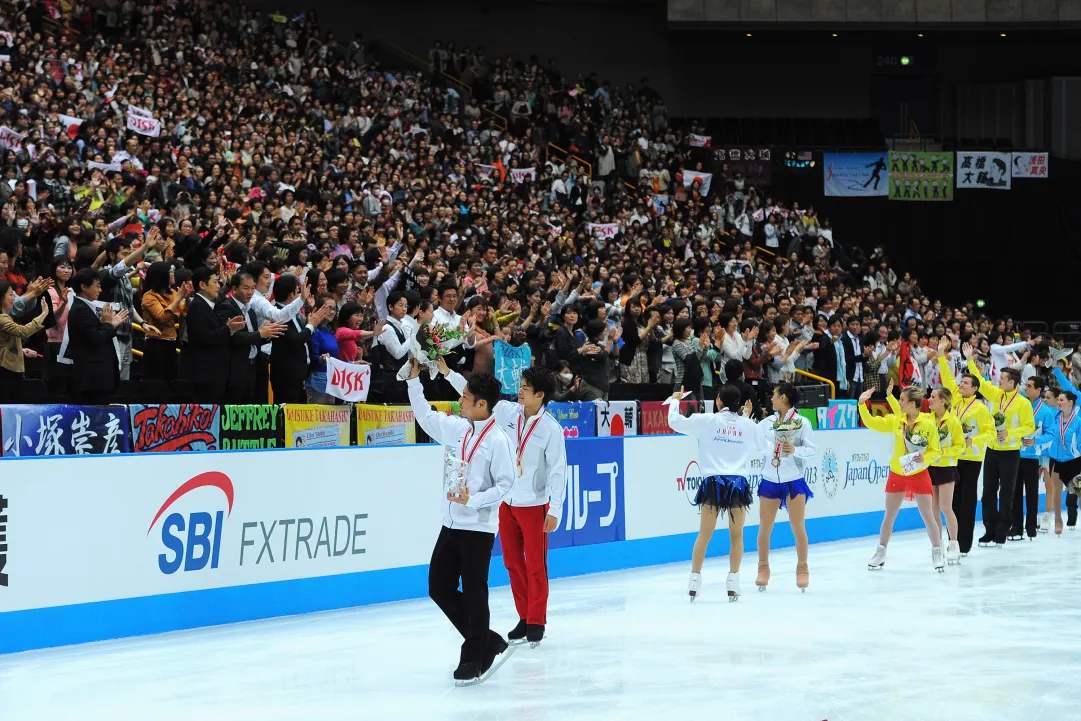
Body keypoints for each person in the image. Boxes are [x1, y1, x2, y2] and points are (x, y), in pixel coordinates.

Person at [405, 359, 516, 685]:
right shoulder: (458, 428)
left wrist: (475, 500)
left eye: (466, 397)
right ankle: (488, 639)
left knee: (474, 590)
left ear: (482, 404)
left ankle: (474, 653)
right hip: (450, 523)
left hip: (478, 528)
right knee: (438, 587)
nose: (460, 400)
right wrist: (414, 381)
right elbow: (425, 416)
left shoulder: (498, 440)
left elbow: (506, 484)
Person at [439, 361, 566, 646]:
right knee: (511, 562)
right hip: (506, 502)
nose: (519, 391)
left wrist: (555, 508)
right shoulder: (508, 411)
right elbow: (471, 392)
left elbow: (558, 470)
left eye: (525, 388)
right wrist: (447, 373)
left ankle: (537, 619)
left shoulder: (551, 429)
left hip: (535, 505)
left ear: (540, 395)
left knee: (535, 564)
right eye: (519, 386)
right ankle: (523, 616)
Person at [668, 384, 763, 602]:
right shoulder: (748, 425)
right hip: (737, 484)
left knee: (705, 534)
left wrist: (675, 400)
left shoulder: (707, 420)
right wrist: (747, 420)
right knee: (737, 535)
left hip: (713, 482)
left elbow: (674, 421)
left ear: (718, 400)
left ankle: (694, 581)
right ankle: (733, 582)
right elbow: (764, 447)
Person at [858, 386, 944, 572]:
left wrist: (926, 458)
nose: (899, 402)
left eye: (902, 400)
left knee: (928, 516)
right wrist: (862, 404)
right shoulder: (897, 420)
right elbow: (873, 423)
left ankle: (937, 551)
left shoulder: (928, 424)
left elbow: (936, 450)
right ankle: (881, 552)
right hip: (898, 472)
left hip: (919, 473)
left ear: (912, 404)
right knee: (889, 515)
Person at [891, 385, 966, 564]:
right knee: (934, 510)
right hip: (928, 467)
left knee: (946, 507)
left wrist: (941, 452)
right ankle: (938, 545)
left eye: (933, 397)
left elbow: (961, 446)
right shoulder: (925, 419)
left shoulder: (953, 422)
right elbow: (901, 414)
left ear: (943, 401)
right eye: (929, 397)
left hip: (946, 467)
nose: (929, 400)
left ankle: (954, 544)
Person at [965, 355, 1036, 546]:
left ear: (1012, 383)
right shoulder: (996, 394)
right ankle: (990, 528)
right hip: (992, 449)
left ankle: (1003, 529)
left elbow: (1029, 427)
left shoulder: (1023, 403)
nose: (998, 381)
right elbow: (980, 381)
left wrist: (1010, 433)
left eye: (1002, 379)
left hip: (1010, 453)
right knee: (988, 491)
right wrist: (969, 360)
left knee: (1006, 492)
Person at [755, 382, 817, 591]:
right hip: (770, 479)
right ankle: (763, 567)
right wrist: (773, 448)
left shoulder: (802, 422)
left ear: (783, 397)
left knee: (798, 526)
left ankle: (802, 568)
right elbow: (757, 444)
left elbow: (812, 449)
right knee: (765, 527)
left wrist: (795, 450)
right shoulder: (766, 423)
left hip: (793, 479)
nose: (770, 398)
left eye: (773, 395)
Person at [937, 342, 995, 555]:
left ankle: (964, 543)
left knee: (967, 500)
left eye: (966, 383)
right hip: (954, 457)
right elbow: (947, 378)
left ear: (975, 388)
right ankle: (953, 539)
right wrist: (942, 355)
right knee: (952, 500)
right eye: (961, 382)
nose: (961, 385)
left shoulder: (980, 408)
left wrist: (975, 440)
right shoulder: (956, 400)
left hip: (971, 459)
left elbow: (991, 432)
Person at [217, 273, 285, 404]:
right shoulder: (226, 307)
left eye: (253, 288)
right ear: (234, 289)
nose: (250, 292)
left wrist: (268, 334)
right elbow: (233, 337)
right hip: (235, 370)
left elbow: (255, 337)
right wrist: (260, 334)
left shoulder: (250, 310)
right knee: (234, 413)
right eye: (246, 288)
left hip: (253, 368)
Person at [65, 268, 128, 405]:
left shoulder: (85, 307)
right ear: (84, 287)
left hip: (98, 378)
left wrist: (111, 324)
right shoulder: (80, 310)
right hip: (92, 379)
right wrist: (110, 324)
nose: (100, 290)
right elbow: (96, 339)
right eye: (97, 286)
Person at [186, 267, 246, 404]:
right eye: (215, 282)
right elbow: (204, 337)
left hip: (214, 374)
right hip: (206, 374)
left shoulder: (206, 305)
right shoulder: (197, 306)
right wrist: (228, 329)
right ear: (202, 285)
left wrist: (229, 327)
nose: (218, 285)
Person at [269, 275, 332, 405]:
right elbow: (296, 341)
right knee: (286, 419)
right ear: (292, 294)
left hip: (300, 375)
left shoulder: (295, 313)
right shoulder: (278, 314)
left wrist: (311, 321)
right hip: (286, 377)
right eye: (299, 291)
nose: (302, 294)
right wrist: (311, 324)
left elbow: (306, 335)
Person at [1014, 376, 1056, 539]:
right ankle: (1016, 527)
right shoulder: (1019, 405)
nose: (1026, 388)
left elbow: (1051, 435)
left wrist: (1035, 441)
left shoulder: (1045, 412)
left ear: (1038, 390)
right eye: (1025, 385)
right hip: (1015, 454)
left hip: (1033, 457)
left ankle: (1031, 526)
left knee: (1031, 493)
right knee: (1014, 492)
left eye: (1029, 386)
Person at [0, 280, 49, 404]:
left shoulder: (6, 317)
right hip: (6, 369)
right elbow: (23, 331)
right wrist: (43, 314)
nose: (13, 298)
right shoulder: (2, 318)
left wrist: (21, 350)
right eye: (11, 294)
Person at [140, 261, 188, 382]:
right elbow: (162, 316)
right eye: (170, 272)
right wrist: (178, 299)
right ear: (162, 276)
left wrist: (186, 298)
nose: (173, 274)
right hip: (156, 344)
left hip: (172, 342)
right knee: (156, 382)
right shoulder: (149, 296)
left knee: (171, 381)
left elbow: (185, 311)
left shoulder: (173, 293)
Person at [1048, 367, 1081, 534]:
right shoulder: (1075, 399)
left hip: (1075, 454)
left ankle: (1073, 517)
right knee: (1058, 488)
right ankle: (1058, 519)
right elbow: (1067, 386)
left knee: (1077, 489)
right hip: (1058, 454)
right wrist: (1055, 368)